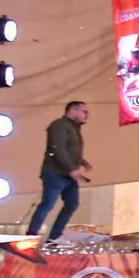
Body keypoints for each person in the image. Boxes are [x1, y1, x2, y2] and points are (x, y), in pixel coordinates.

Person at [27, 100, 93, 242]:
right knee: (48, 204)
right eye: (84, 111)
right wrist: (72, 168)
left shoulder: (73, 128)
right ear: (73, 110)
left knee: (72, 203)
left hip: (68, 175)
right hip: (55, 173)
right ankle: (31, 235)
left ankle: (55, 236)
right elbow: (58, 148)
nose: (86, 115)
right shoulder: (60, 125)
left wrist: (82, 162)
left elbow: (69, 150)